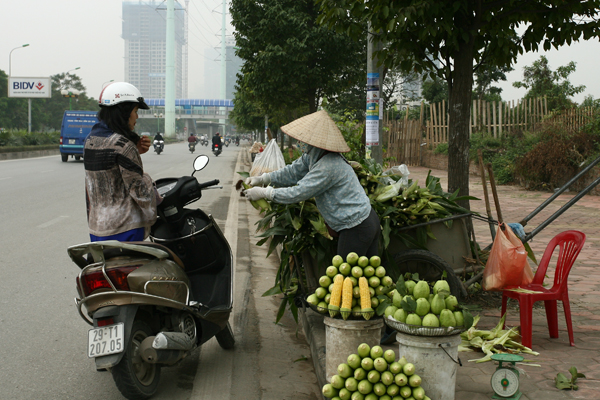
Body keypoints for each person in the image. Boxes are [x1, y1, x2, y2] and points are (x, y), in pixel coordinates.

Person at [244, 110, 380, 259]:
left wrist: (266, 193)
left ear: (314, 141)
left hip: (356, 227)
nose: (300, 142)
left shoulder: (327, 166)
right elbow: (293, 171)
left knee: (346, 278)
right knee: (362, 278)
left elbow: (299, 192)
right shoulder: (313, 155)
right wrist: (264, 178)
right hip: (362, 221)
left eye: (303, 139)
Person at [83, 82, 161, 242]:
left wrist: (135, 149)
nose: (137, 117)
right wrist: (148, 180)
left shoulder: (90, 140)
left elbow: (110, 171)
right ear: (124, 112)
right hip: (125, 230)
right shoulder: (124, 146)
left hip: (97, 229)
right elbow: (142, 195)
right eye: (135, 111)